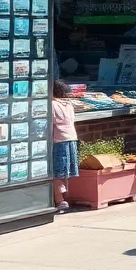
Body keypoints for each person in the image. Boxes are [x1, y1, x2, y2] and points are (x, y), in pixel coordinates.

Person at [51, 79, 79, 212]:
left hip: (58, 141)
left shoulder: (52, 104)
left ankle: (60, 200)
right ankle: (65, 196)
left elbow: (49, 122)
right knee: (65, 171)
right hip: (71, 138)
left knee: (57, 172)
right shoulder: (69, 104)